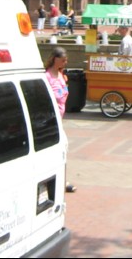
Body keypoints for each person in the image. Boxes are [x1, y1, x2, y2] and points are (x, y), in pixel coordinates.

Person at [43, 47, 76, 193]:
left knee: (61, 149)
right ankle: (60, 180)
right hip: (51, 119)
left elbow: (63, 93)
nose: (65, 62)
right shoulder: (48, 76)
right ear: (54, 59)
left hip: (59, 118)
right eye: (62, 60)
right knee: (61, 147)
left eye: (66, 60)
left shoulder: (61, 74)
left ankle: (60, 179)